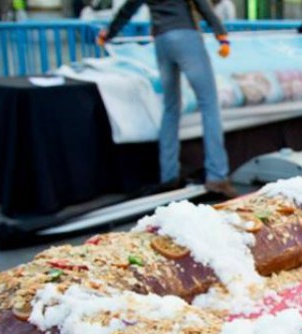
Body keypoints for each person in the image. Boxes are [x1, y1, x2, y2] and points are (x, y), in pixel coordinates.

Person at [99, 0, 237, 197]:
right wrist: (220, 33)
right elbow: (202, 5)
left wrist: (109, 33)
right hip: (186, 37)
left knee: (171, 108)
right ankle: (217, 177)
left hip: (162, 41)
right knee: (209, 104)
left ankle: (169, 176)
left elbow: (127, 9)